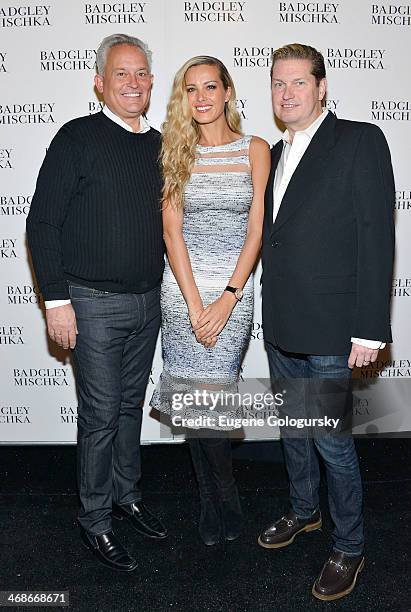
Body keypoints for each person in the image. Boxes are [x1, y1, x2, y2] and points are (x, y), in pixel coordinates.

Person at [258, 43, 395, 600]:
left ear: (321, 89)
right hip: (283, 322)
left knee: (333, 440)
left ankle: (350, 545)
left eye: (297, 82)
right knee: (294, 429)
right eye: (277, 83)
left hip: (335, 328)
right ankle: (303, 511)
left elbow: (376, 237)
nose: (286, 93)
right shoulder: (271, 152)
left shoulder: (360, 140)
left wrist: (369, 329)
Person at [26, 33, 167, 573]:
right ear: (100, 83)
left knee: (130, 409)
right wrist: (56, 301)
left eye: (141, 74)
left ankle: (126, 497)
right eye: (121, 74)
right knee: (101, 414)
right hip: (90, 303)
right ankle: (94, 519)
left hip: (148, 301)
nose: (132, 83)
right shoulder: (76, 137)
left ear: (151, 83)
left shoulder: (159, 145)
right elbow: (42, 223)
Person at [150, 56, 270, 545]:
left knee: (214, 400)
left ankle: (226, 495)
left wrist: (227, 298)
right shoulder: (175, 152)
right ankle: (210, 500)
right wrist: (195, 303)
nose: (200, 98)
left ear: (226, 92)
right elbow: (171, 232)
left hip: (234, 291)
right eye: (191, 89)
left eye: (209, 87)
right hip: (182, 293)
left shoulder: (255, 149)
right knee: (193, 402)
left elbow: (256, 229)